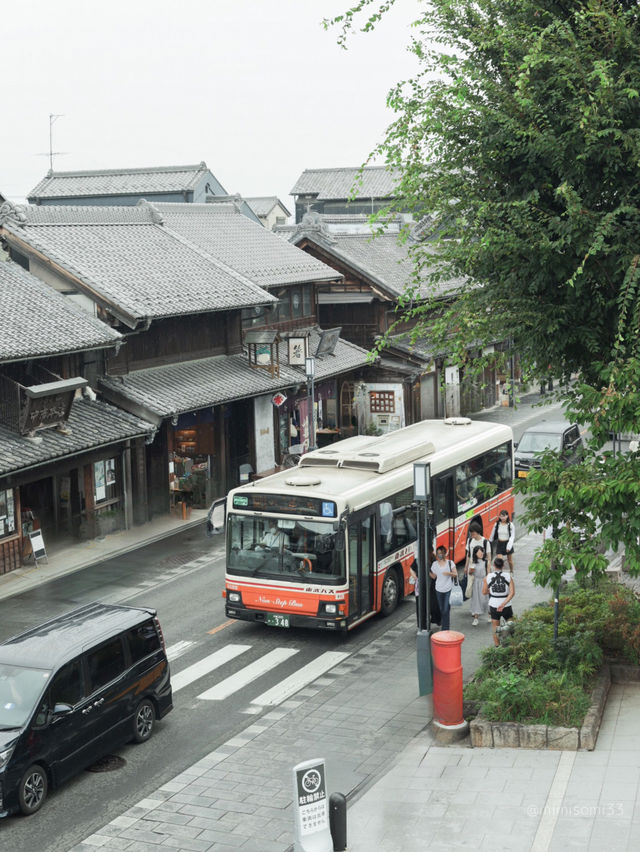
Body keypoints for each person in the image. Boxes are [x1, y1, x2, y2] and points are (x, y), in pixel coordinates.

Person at [482, 556, 515, 646]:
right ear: (503, 566)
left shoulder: (488, 577)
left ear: (494, 565)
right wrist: (504, 603)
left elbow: (484, 592)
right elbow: (512, 593)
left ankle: (497, 647)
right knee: (511, 626)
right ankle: (511, 644)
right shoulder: (508, 577)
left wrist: (491, 591)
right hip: (507, 605)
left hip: (493, 604)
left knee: (495, 628)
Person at [429, 545, 458, 631]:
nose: (439, 555)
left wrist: (448, 573)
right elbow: (434, 576)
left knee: (446, 609)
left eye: (441, 553)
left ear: (444, 553)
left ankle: (445, 629)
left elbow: (455, 574)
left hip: (448, 589)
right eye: (438, 554)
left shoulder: (450, 563)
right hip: (438, 589)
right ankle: (445, 626)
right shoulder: (434, 564)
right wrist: (427, 570)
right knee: (442, 609)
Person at [463, 524, 490, 598]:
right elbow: (468, 555)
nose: (471, 535)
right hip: (471, 567)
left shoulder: (485, 542)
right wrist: (466, 567)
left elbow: (489, 558)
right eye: (470, 533)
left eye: (473, 533)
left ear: (478, 532)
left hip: (481, 568)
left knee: (481, 588)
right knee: (471, 587)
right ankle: (475, 606)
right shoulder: (470, 540)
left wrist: (488, 572)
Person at [468, 544, 490, 626]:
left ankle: (489, 615)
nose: (481, 554)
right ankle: (476, 618)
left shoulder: (486, 562)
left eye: (482, 553)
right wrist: (471, 570)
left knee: (486, 599)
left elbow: (488, 573)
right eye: (479, 553)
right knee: (476, 600)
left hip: (484, 581)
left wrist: (488, 584)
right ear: (475, 554)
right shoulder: (473, 562)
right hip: (476, 582)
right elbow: (470, 573)